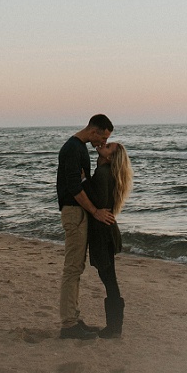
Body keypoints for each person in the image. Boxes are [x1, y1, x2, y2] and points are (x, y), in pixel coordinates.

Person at [56, 115, 116, 340]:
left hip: (77, 212)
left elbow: (80, 183)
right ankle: (68, 324)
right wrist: (95, 212)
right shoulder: (72, 149)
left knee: (76, 268)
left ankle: (74, 317)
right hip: (74, 212)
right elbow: (73, 187)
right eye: (103, 137)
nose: (103, 142)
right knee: (72, 268)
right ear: (94, 130)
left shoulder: (79, 148)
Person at [85, 140, 133, 338]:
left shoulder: (103, 174)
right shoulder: (107, 173)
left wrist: (83, 182)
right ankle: (114, 327)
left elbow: (99, 202)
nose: (103, 146)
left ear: (110, 157)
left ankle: (114, 328)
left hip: (102, 233)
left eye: (107, 147)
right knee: (108, 278)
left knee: (109, 279)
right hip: (107, 232)